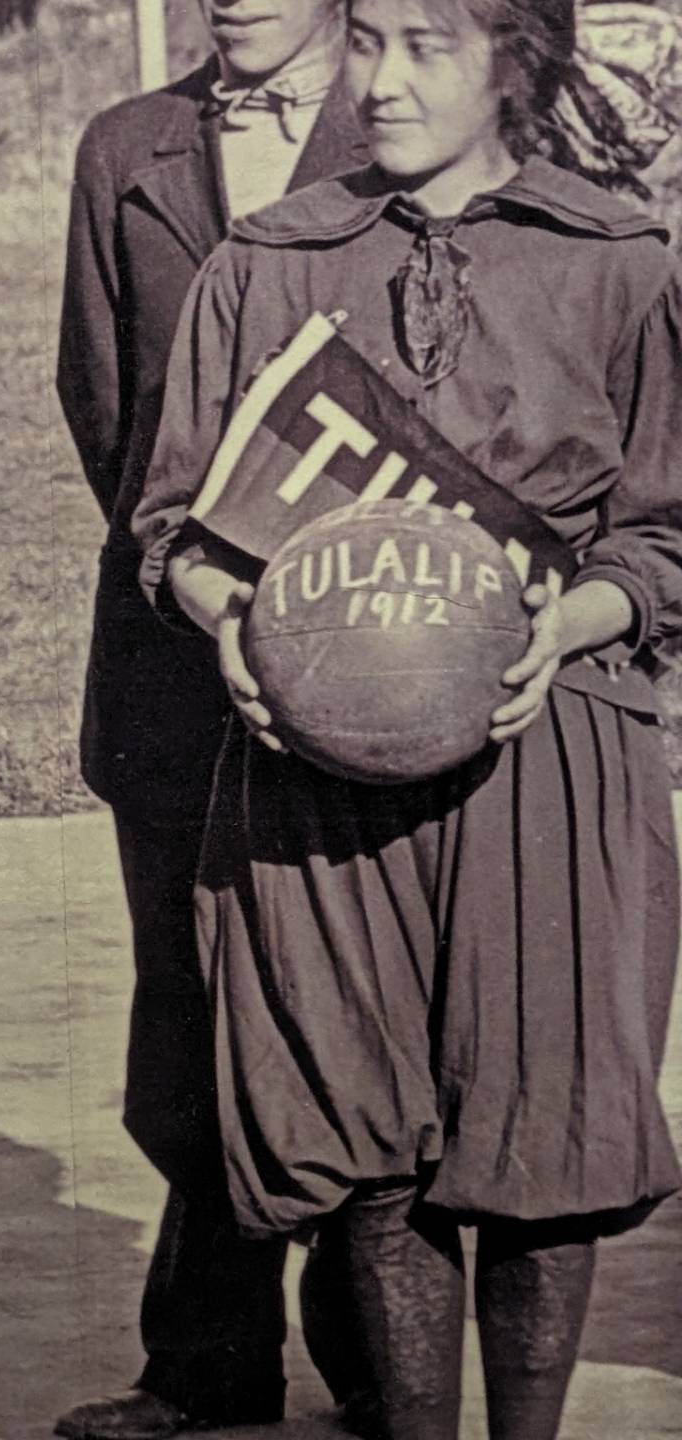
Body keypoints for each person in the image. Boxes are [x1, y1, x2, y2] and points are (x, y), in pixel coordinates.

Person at [133, 1, 682, 1436]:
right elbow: (172, 521)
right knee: (367, 1148)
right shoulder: (268, 261)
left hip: (549, 756)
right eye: (367, 39)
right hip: (315, 770)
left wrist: (570, 622)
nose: (379, 80)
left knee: (541, 1130)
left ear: (518, 61)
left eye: (425, 45)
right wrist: (225, 621)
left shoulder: (617, 262)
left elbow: (666, 535)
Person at [54, 1, 368, 1435]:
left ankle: (377, 1344)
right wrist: (198, 584)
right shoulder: (126, 149)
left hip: (381, 653)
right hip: (176, 666)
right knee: (185, 1006)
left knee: (364, 997)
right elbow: (105, 402)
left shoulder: (411, 134)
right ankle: (207, 1359)